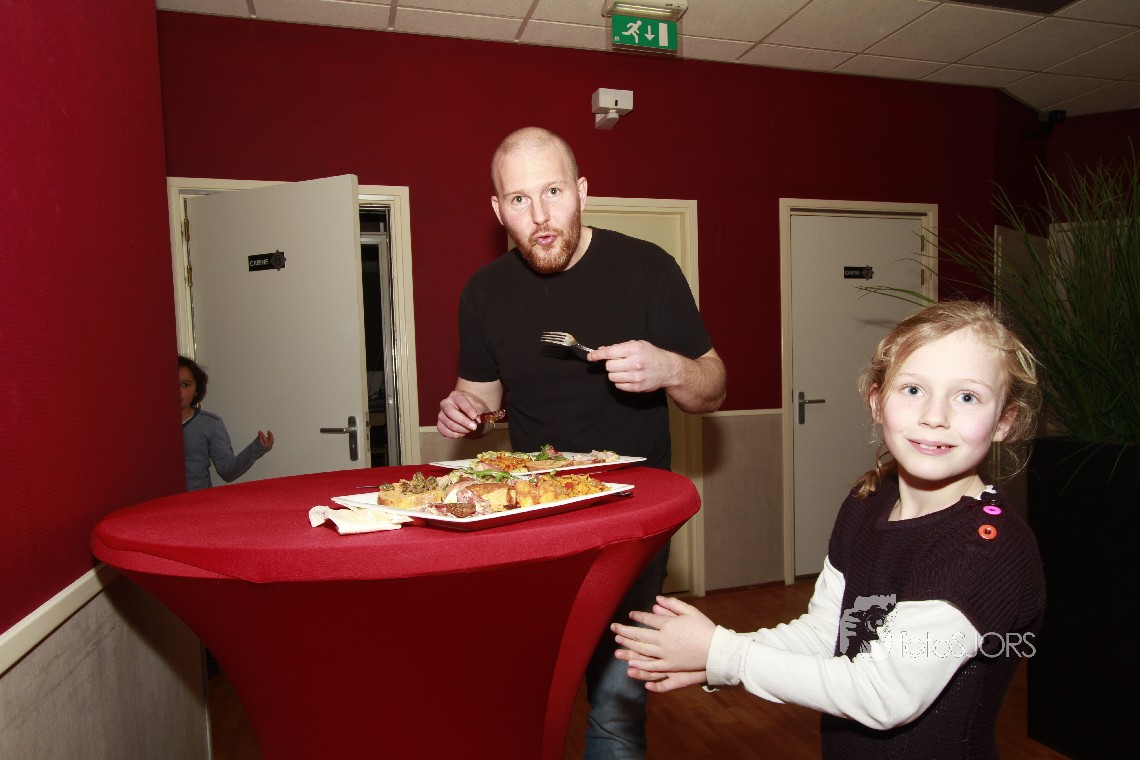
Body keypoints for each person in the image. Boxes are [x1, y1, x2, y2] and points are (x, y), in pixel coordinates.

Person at [612, 300, 1046, 759]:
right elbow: (826, 633)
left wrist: (724, 654)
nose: (935, 415)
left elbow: (882, 694)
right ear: (877, 402)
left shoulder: (985, 549)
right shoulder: (867, 501)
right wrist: (715, 655)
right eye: (913, 389)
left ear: (1004, 422)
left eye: (967, 397)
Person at [437, 126, 726, 758]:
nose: (540, 216)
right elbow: (479, 396)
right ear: (498, 210)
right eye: (520, 200)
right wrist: (464, 411)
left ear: (582, 191)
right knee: (519, 698)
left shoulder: (648, 268)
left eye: (553, 192)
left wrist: (669, 368)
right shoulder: (484, 292)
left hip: (631, 523)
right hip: (529, 521)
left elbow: (713, 387)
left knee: (616, 707)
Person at [179, 355, 274, 492]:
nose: (179, 391)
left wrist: (257, 447)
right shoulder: (151, 426)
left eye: (185, 385)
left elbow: (228, 471)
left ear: (196, 390)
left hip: (197, 500)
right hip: (158, 501)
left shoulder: (210, 424)